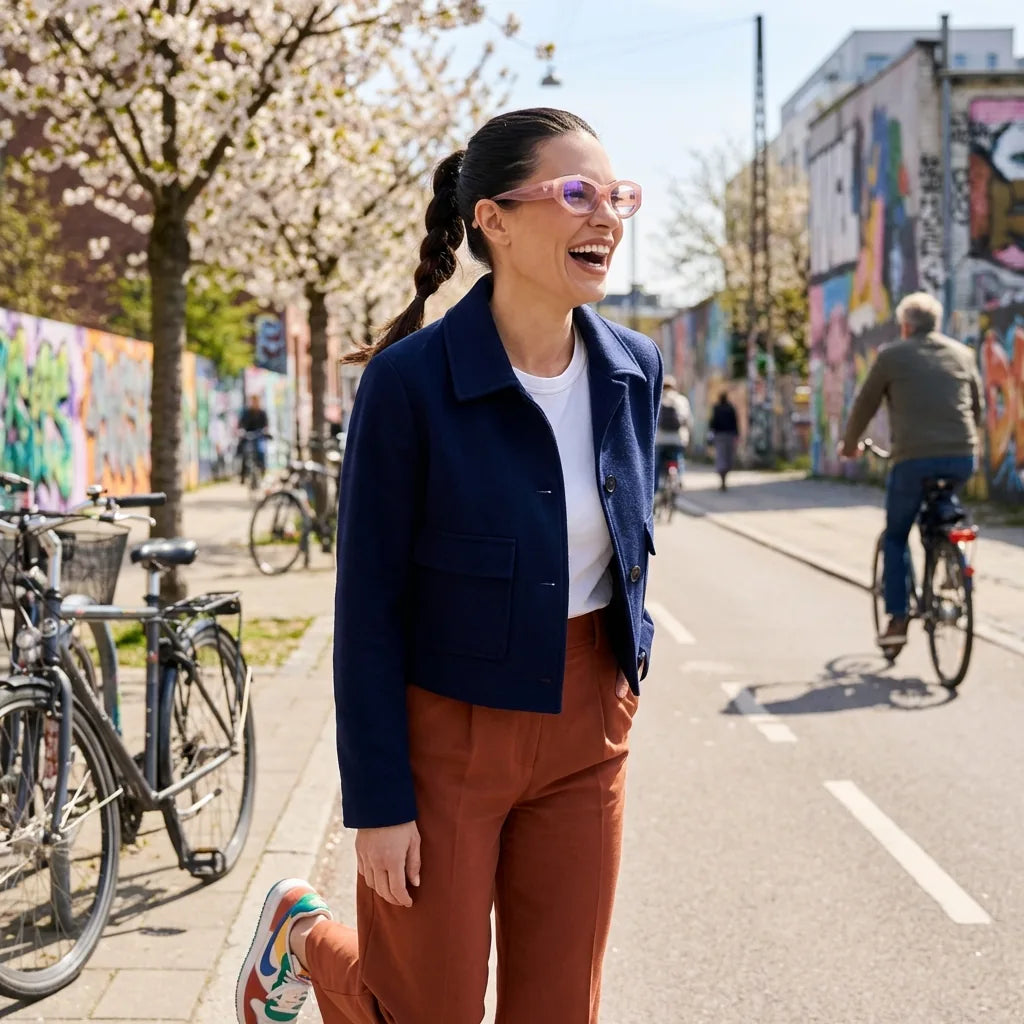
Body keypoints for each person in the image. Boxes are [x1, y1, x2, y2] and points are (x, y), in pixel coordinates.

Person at [236, 108, 660, 1024]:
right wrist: (378, 800)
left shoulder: (635, 369)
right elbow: (370, 607)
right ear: (493, 220)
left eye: (616, 195)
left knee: (559, 1008)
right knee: (425, 1007)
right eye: (577, 193)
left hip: (586, 723)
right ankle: (302, 937)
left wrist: (621, 682)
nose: (607, 217)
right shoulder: (410, 382)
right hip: (447, 734)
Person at [839, 291, 983, 648]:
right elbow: (977, 408)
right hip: (962, 456)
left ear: (905, 326)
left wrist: (849, 445)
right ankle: (952, 556)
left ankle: (898, 618)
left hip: (913, 458)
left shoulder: (891, 356)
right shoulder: (963, 354)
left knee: (896, 534)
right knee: (942, 502)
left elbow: (864, 405)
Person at [654, 374, 692, 490]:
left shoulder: (657, 399)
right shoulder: (682, 400)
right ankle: (679, 478)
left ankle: (655, 489)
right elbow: (689, 421)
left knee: (657, 466)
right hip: (678, 439)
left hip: (660, 439)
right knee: (678, 458)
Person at [709, 391, 739, 490]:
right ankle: (724, 478)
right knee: (728, 458)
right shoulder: (731, 408)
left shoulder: (716, 408)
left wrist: (710, 435)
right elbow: (735, 423)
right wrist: (737, 435)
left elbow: (712, 423)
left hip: (719, 435)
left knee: (721, 457)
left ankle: (723, 478)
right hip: (729, 435)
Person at [238, 394, 270, 477]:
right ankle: (243, 475)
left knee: (261, 452)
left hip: (259, 435)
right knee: (245, 453)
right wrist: (242, 431)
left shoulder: (262, 413)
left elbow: (266, 425)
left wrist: (265, 431)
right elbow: (242, 424)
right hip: (249, 436)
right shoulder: (247, 413)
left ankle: (262, 470)